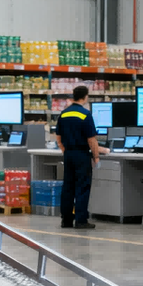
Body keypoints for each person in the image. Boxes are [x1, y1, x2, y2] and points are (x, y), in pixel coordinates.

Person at [55, 85, 105, 229]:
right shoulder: (85, 114)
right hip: (82, 155)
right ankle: (81, 220)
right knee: (82, 187)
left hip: (69, 154)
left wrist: (66, 151)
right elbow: (91, 140)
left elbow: (58, 137)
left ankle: (66, 220)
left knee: (68, 187)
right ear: (85, 97)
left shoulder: (64, 113)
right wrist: (96, 157)